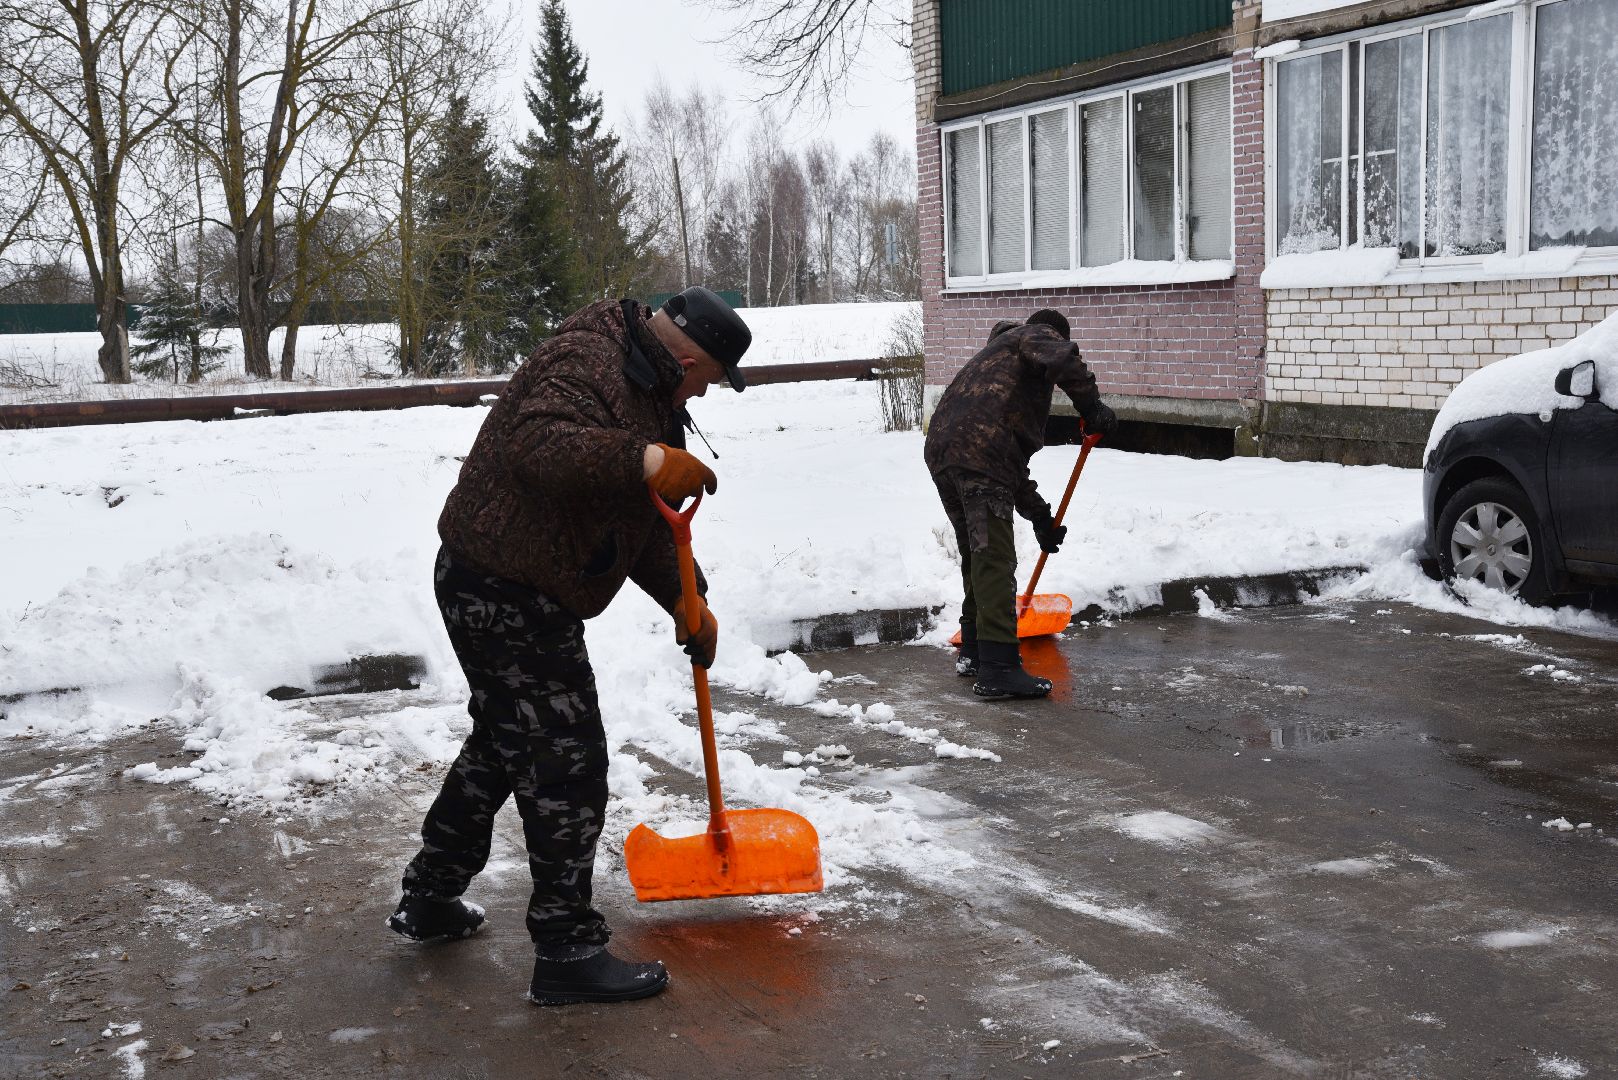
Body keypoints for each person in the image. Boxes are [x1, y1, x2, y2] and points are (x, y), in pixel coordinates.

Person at [387, 286, 751, 1006]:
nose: (705, 393)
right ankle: (566, 949)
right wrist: (645, 459)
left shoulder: (650, 393)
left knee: (503, 742)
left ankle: (430, 897)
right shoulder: (586, 359)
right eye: (708, 377)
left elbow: (645, 525)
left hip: (523, 585)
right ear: (686, 356)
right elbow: (537, 445)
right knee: (565, 760)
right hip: (499, 583)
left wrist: (688, 596)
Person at [923, 308, 1117, 700]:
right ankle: (999, 669)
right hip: (979, 454)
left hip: (945, 451)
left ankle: (976, 652)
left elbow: (1009, 469)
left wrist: (1042, 519)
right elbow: (1062, 357)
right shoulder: (1034, 336)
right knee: (993, 556)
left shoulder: (996, 365)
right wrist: (1091, 406)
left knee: (978, 553)